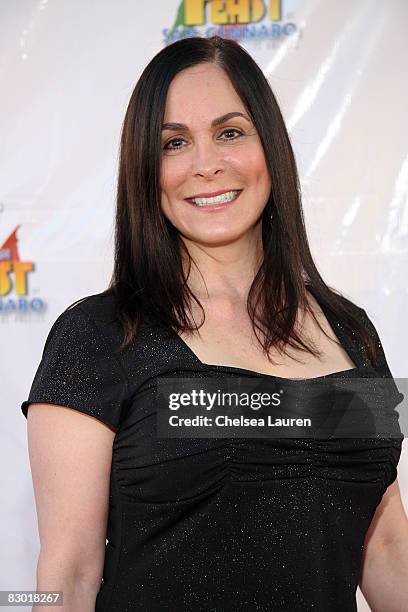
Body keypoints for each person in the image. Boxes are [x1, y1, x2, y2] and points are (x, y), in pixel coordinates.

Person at [21, 36, 408, 612]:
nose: (206, 165)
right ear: (145, 171)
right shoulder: (100, 335)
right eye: (174, 143)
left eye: (230, 132)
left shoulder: (351, 330)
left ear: (269, 146)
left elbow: (384, 547)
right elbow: (68, 575)